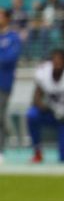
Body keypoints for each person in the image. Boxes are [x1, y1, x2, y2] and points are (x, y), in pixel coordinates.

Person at [0, 8, 22, 166]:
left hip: (3, 83)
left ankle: (0, 150)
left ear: (7, 18)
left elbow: (10, 58)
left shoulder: (13, 37)